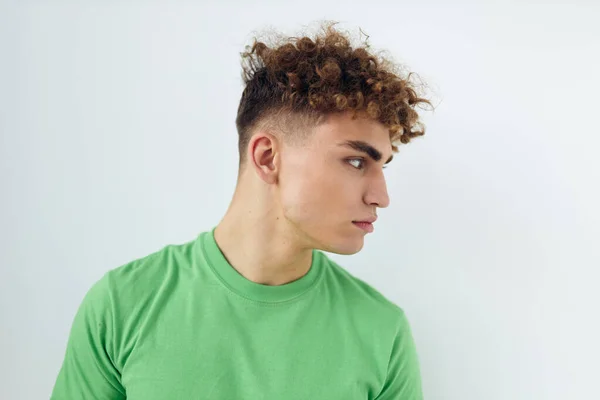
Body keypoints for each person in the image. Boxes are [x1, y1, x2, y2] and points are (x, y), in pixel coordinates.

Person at [51, 21, 433, 399]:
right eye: (355, 161)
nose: (381, 196)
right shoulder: (123, 305)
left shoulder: (383, 333)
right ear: (267, 157)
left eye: (382, 166)